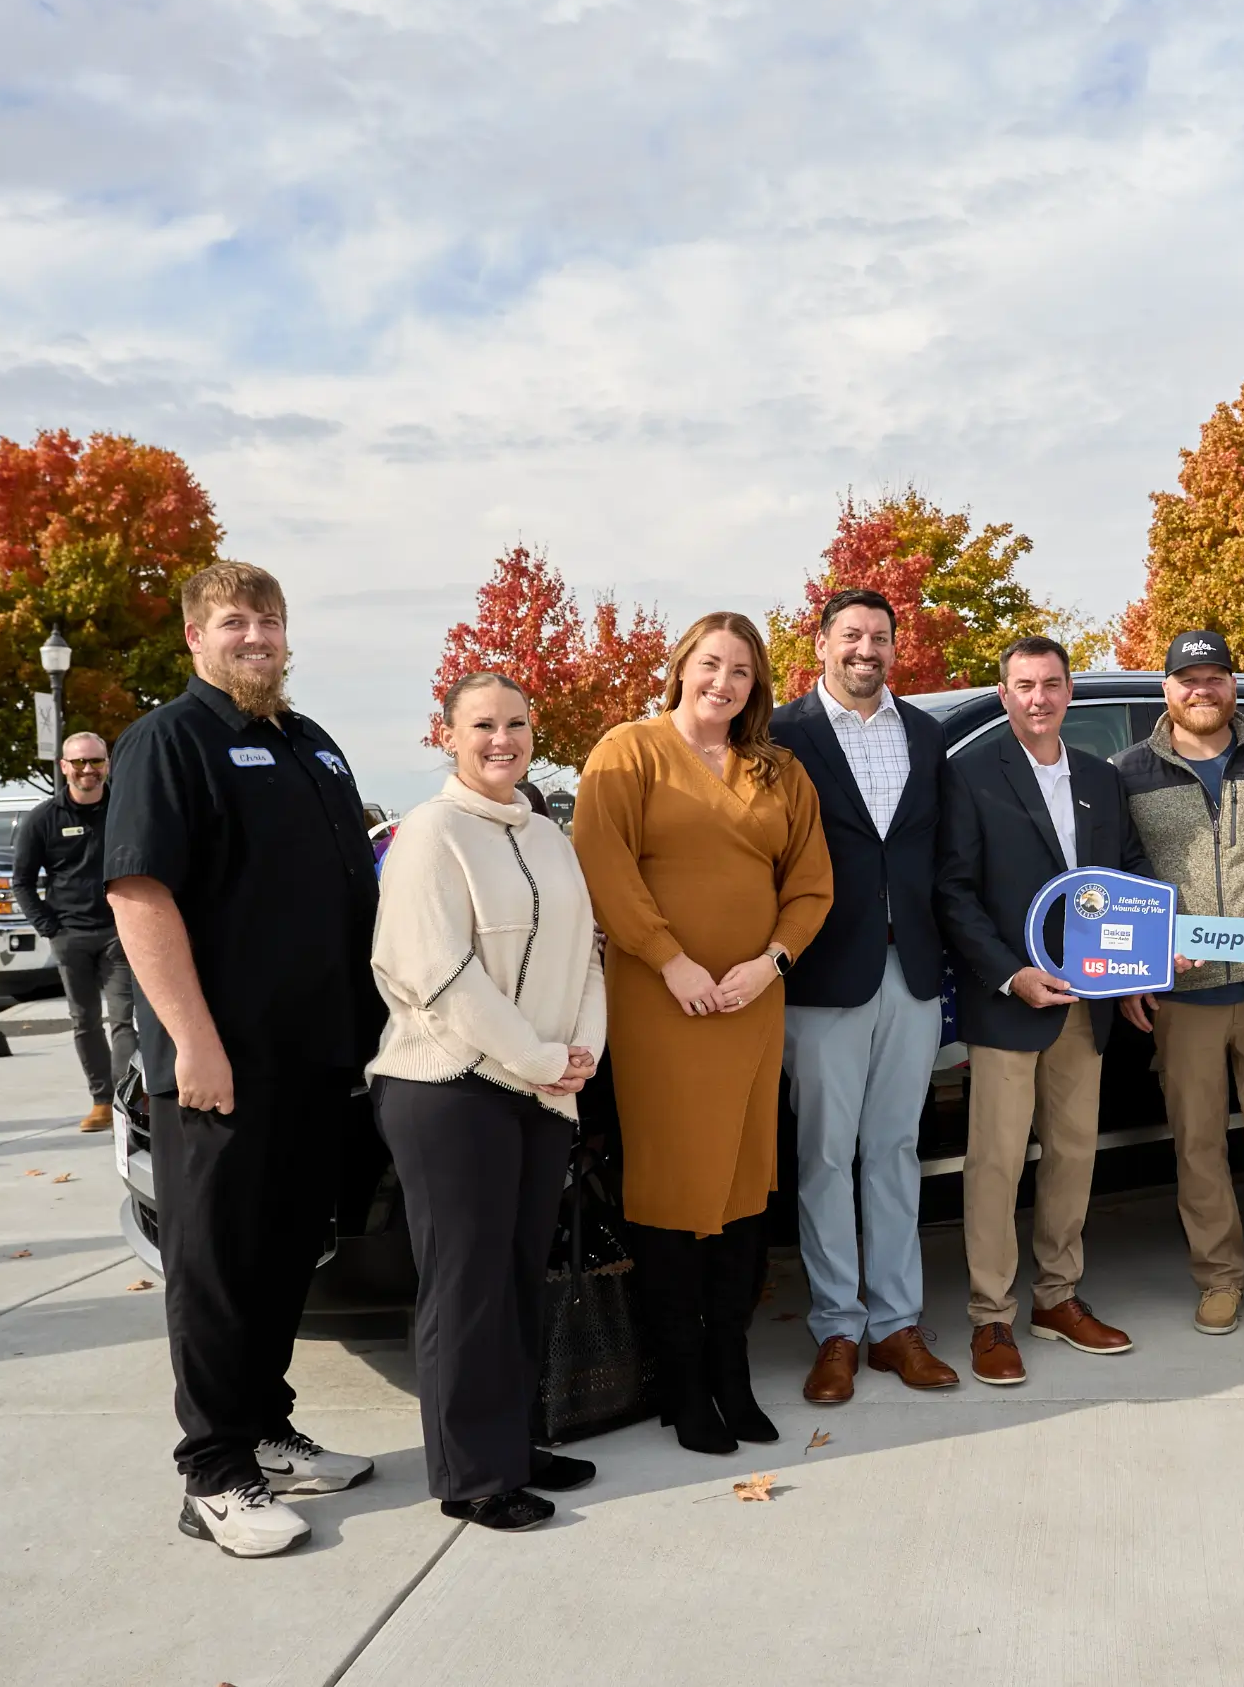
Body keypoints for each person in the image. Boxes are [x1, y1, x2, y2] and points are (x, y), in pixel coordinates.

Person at [104, 561, 385, 1559]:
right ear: (195, 638)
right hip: (222, 1066)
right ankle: (214, 1473)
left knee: (279, 1262)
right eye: (234, 621)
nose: (256, 635)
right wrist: (193, 1042)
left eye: (267, 618)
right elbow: (140, 897)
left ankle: (265, 1432)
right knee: (217, 1266)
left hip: (315, 1063)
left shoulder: (309, 743)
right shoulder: (168, 743)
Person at [574, 612, 834, 1455]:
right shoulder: (629, 751)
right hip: (662, 1003)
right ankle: (682, 1385)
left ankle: (732, 1372)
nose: (723, 683)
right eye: (710, 665)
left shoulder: (779, 770)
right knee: (672, 1190)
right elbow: (602, 862)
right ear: (682, 667)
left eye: (742, 673)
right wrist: (668, 960)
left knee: (743, 1190)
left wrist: (772, 963)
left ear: (756, 688)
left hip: (752, 1003)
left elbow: (811, 886)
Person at [367, 673, 606, 1531]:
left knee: (515, 1279)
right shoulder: (430, 834)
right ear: (449, 735)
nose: (500, 740)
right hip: (450, 1089)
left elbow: (586, 952)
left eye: (514, 724)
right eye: (481, 726)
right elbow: (437, 973)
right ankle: (470, 1476)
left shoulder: (546, 834)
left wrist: (581, 1054)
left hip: (540, 1089)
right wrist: (540, 1057)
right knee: (465, 1287)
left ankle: (514, 1443)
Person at [936, 636, 1152, 1385]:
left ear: (1069, 694)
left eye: (1052, 685)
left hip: (1083, 1004)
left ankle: (1057, 1298)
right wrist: (1008, 975)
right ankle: (990, 1318)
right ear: (1004, 695)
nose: (1039, 698)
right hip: (1010, 1003)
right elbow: (954, 893)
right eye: (1024, 685)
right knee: (995, 1164)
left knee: (1073, 1154)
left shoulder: (1099, 777)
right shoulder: (969, 775)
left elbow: (1123, 876)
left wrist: (1135, 965)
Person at [769, 590, 960, 1402]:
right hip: (819, 976)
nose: (866, 649)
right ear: (821, 645)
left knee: (893, 1153)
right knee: (823, 1157)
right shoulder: (782, 736)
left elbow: (942, 855)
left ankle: (896, 1326)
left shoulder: (926, 733)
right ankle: (836, 1328)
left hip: (910, 974)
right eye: (851, 635)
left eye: (879, 636)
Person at [1113, 630, 1244, 1336]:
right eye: (1187, 679)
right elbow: (1121, 878)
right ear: (1166, 691)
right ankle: (1220, 1277)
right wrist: (1135, 974)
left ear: (1233, 684)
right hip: (1183, 997)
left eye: (1215, 677)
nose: (1202, 690)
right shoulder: (1128, 771)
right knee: (1198, 1144)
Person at [13, 731, 137, 1132]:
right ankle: (101, 1101)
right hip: (71, 936)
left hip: (120, 932)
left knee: (123, 1020)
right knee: (84, 1021)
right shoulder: (43, 819)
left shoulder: (125, 808)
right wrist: (51, 928)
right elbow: (22, 881)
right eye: (80, 762)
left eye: (96, 761)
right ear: (64, 766)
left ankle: (127, 1100)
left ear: (108, 763)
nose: (89, 769)